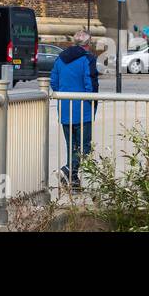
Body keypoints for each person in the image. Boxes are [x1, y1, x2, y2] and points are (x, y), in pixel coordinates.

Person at [50, 30, 99, 189]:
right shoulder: (87, 59)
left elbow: (54, 82)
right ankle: (67, 169)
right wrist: (92, 102)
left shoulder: (60, 59)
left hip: (65, 109)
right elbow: (90, 85)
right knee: (84, 147)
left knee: (72, 146)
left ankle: (73, 182)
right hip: (82, 109)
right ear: (88, 44)